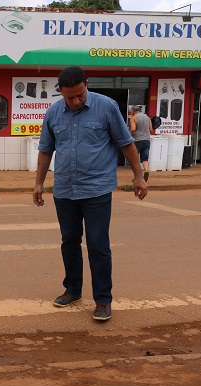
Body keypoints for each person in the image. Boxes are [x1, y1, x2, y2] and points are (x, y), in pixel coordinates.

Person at [32, 66, 148, 322]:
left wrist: (139, 176)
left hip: (96, 190)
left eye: (80, 95)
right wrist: (39, 183)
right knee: (69, 242)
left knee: (97, 245)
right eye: (69, 97)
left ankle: (103, 300)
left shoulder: (106, 107)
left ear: (86, 84)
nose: (75, 101)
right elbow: (45, 150)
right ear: (60, 92)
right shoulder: (53, 113)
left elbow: (126, 143)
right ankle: (72, 290)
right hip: (64, 190)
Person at [129, 105, 152, 181]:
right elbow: (151, 129)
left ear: (133, 111)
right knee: (145, 158)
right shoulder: (147, 117)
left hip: (137, 140)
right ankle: (146, 170)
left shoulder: (134, 118)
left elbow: (133, 129)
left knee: (135, 159)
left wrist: (129, 135)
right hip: (147, 140)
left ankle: (137, 177)